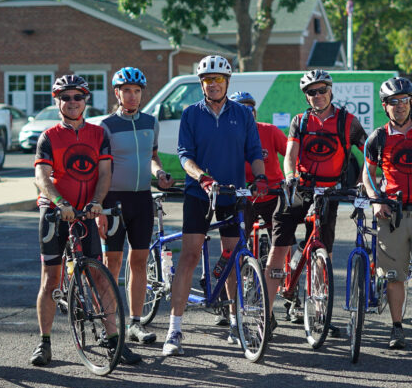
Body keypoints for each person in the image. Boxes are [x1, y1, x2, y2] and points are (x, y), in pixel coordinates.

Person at [162, 55, 266, 356]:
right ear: (201, 84)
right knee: (191, 255)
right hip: (200, 194)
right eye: (208, 80)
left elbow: (254, 151)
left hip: (232, 194)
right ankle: (175, 329)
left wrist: (259, 176)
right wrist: (202, 178)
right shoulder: (190, 114)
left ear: (227, 82)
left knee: (233, 258)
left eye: (219, 80)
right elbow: (185, 155)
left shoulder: (243, 115)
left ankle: (235, 322)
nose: (213, 84)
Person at [29, 75, 128, 366]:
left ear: (86, 100)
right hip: (56, 212)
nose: (72, 102)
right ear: (56, 101)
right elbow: (42, 177)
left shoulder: (99, 134)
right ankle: (44, 342)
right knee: (50, 280)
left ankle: (114, 340)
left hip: (86, 211)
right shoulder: (48, 136)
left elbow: (105, 173)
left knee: (99, 276)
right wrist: (60, 203)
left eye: (78, 97)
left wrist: (97, 202)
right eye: (66, 97)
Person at [267, 69, 367, 332]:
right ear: (306, 96)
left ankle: (320, 316)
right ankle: (264, 315)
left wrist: (362, 183)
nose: (318, 95)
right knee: (278, 250)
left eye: (322, 90)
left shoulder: (348, 121)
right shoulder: (300, 121)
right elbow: (290, 155)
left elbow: (370, 153)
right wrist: (289, 176)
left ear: (331, 90)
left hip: (329, 193)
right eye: (312, 92)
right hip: (299, 189)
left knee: (323, 254)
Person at [362, 77, 412, 349]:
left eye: (404, 101)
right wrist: (375, 200)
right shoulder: (378, 137)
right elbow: (368, 173)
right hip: (392, 214)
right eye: (393, 102)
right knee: (394, 275)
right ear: (385, 106)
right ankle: (397, 329)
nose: (399, 106)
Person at [100, 67, 174, 350]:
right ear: (117, 93)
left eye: (137, 91)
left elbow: (152, 157)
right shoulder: (105, 126)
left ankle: (134, 322)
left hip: (143, 199)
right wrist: (100, 209)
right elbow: (102, 169)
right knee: (113, 265)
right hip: (114, 201)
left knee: (139, 262)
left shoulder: (151, 122)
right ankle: (110, 323)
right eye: (127, 91)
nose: (132, 96)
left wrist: (159, 174)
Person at [229, 90, 287, 261]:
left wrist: (294, 176)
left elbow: (293, 154)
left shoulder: (270, 131)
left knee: (282, 237)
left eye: (250, 109)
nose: (248, 113)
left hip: (272, 192)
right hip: (245, 195)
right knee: (236, 240)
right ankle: (238, 274)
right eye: (242, 109)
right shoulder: (228, 136)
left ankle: (283, 275)